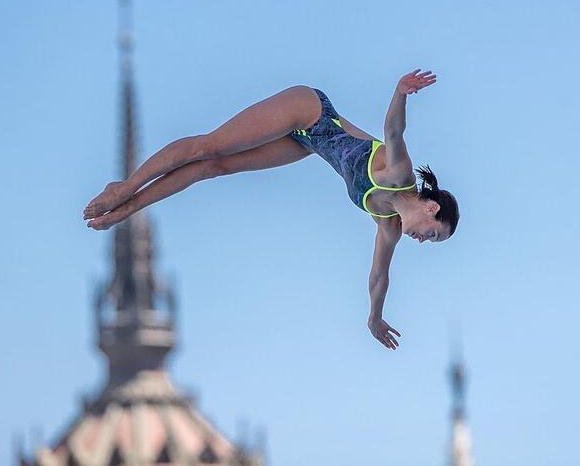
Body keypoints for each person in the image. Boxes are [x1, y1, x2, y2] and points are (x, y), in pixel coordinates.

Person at [83, 69, 459, 349]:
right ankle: (124, 188)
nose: (423, 240)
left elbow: (378, 278)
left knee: (215, 168)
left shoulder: (387, 225)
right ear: (431, 208)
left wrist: (374, 318)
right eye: (433, 234)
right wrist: (400, 92)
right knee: (210, 148)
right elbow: (394, 131)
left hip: (306, 144)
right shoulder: (399, 175)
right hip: (308, 110)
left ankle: (129, 209)